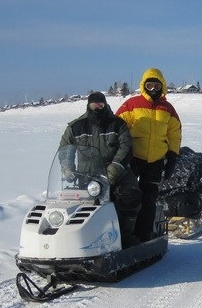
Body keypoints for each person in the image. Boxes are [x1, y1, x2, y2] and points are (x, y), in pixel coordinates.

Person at [60, 91, 142, 247]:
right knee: (81, 205)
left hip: (117, 172)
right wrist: (67, 167)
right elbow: (65, 148)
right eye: (94, 105)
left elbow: (126, 147)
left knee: (130, 195)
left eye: (100, 104)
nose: (97, 108)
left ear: (105, 105)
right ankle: (78, 240)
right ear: (88, 106)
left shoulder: (117, 124)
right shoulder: (76, 126)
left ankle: (125, 236)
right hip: (87, 174)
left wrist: (114, 168)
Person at [116, 68, 182, 241]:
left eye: (156, 85)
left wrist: (173, 156)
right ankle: (124, 234)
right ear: (144, 85)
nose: (153, 88)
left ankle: (144, 234)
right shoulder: (132, 104)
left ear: (162, 86)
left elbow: (174, 133)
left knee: (149, 198)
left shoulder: (167, 108)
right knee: (127, 195)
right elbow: (118, 127)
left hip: (155, 160)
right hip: (133, 158)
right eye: (149, 85)